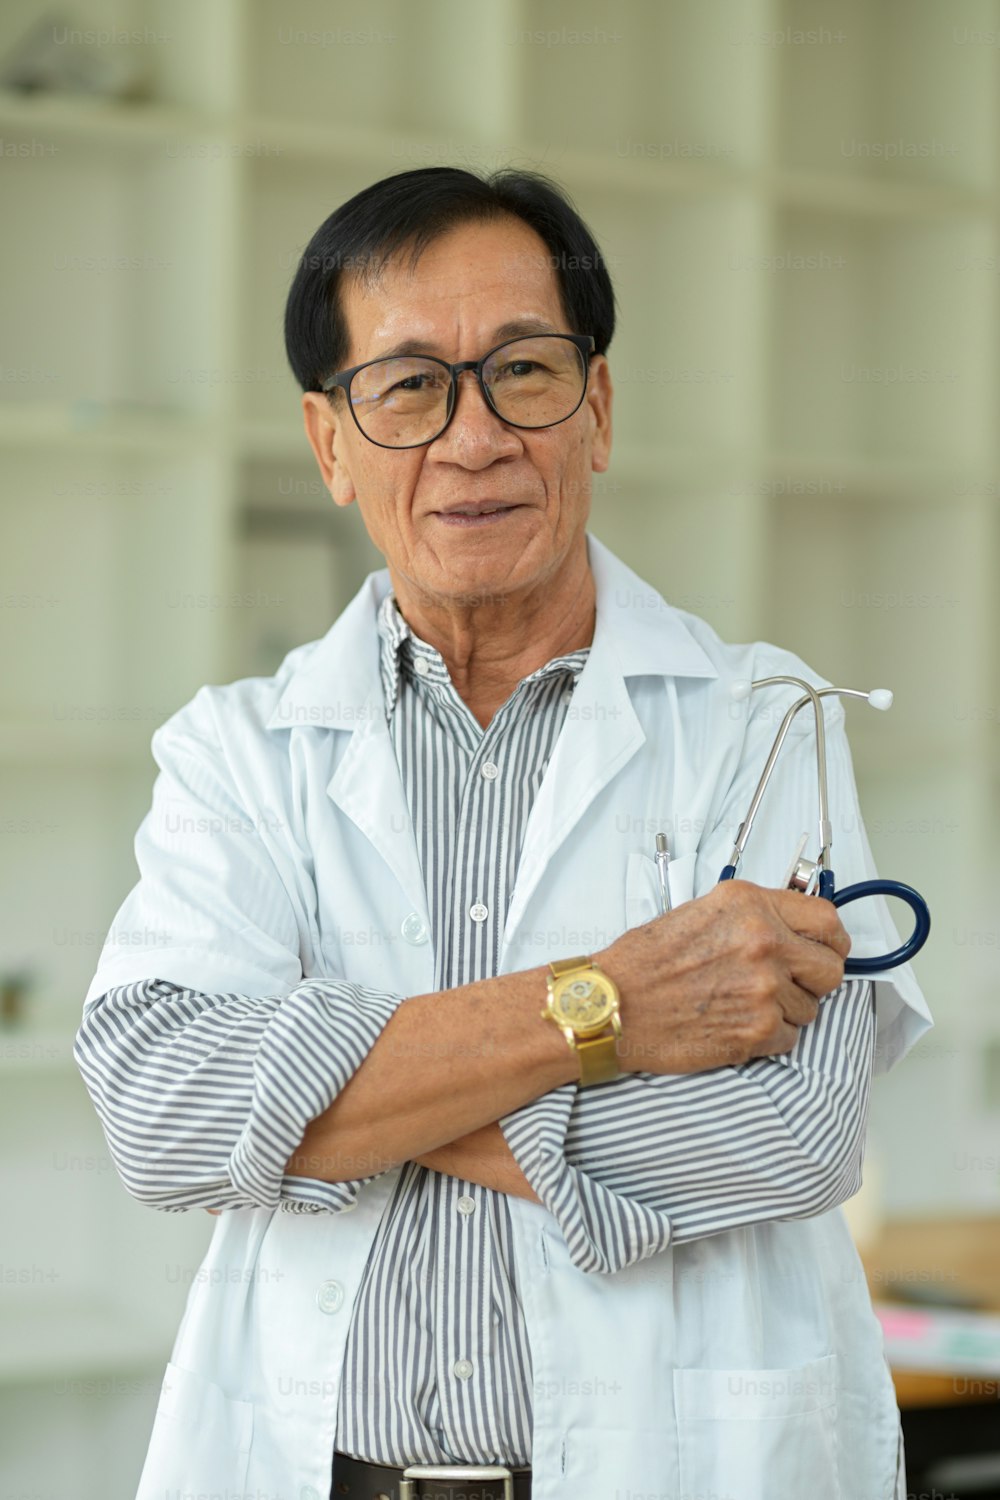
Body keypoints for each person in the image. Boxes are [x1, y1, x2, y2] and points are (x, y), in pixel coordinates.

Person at [75, 167, 932, 1500]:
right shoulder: (240, 752)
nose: (473, 439)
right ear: (330, 441)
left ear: (594, 407)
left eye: (522, 372)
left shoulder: (761, 721)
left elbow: (790, 1139)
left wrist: (334, 1104)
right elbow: (161, 1117)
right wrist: (611, 1010)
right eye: (408, 388)